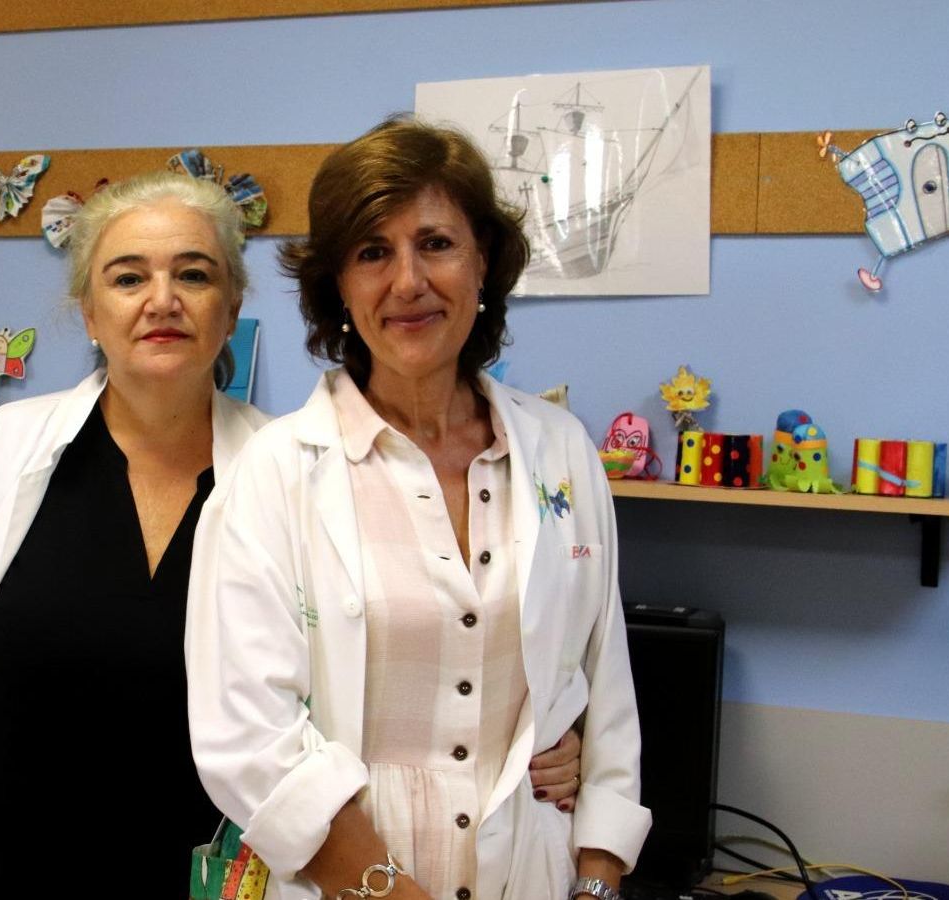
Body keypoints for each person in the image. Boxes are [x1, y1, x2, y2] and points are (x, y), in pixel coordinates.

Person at [0, 171, 584, 899]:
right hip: (9, 869)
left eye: (194, 274)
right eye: (127, 278)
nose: (163, 300)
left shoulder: (291, 472)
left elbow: (400, 668)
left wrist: (539, 745)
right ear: (89, 312)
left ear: (233, 307)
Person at [186, 116, 650, 900]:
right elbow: (248, 740)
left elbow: (606, 693)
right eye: (373, 253)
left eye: (435, 243)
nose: (407, 282)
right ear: (337, 285)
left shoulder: (560, 451)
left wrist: (598, 878)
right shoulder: (273, 474)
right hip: (347, 885)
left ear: (482, 265)